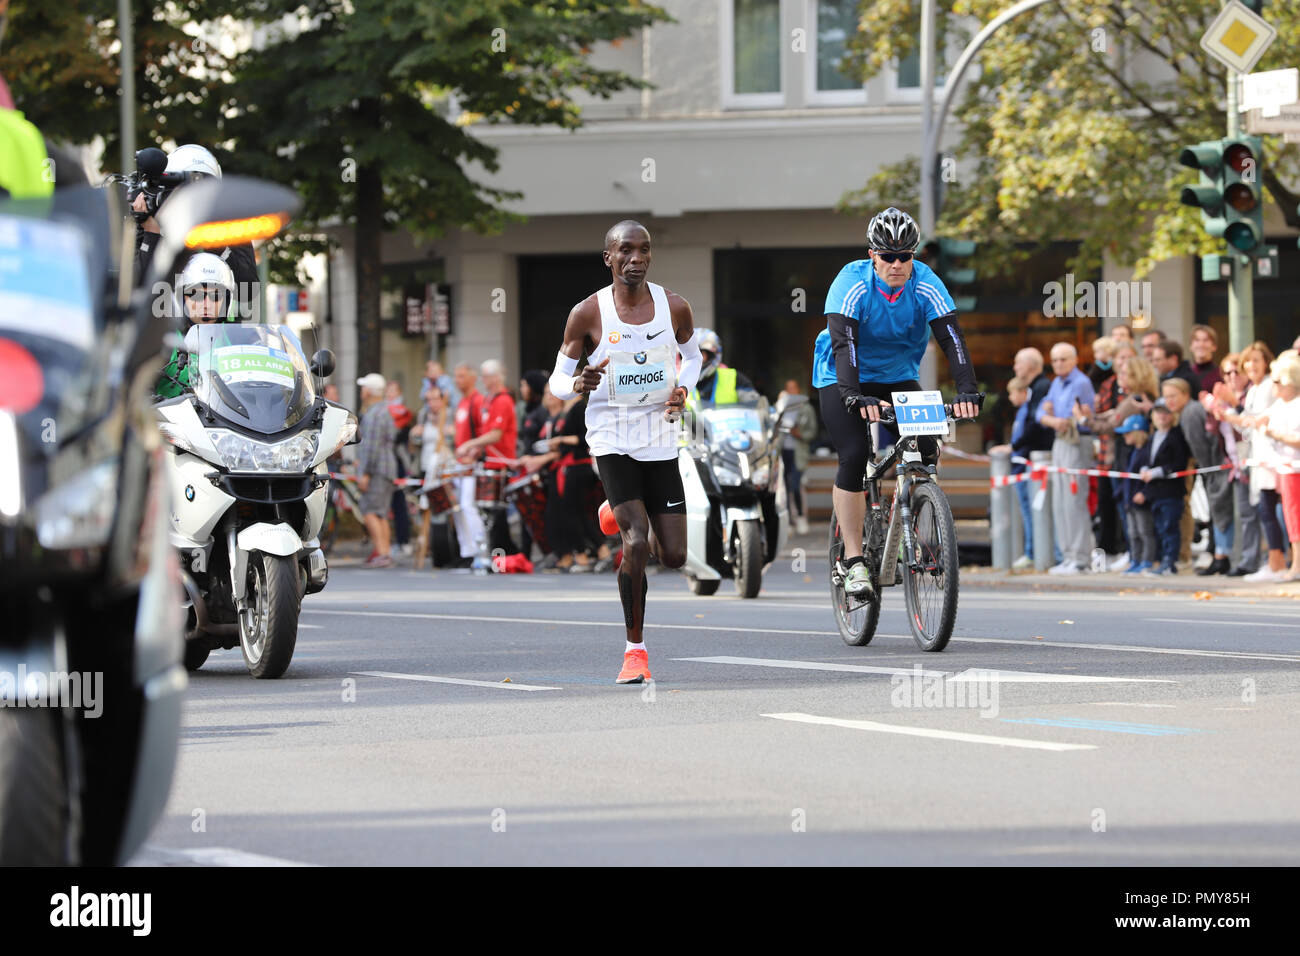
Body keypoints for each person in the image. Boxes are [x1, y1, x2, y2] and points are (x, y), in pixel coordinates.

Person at [548, 219, 701, 683]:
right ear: (609, 258)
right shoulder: (587, 314)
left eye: (643, 250)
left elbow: (692, 358)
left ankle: (613, 510)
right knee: (636, 543)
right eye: (626, 251)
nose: (636, 258)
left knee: (673, 556)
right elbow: (557, 380)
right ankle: (636, 652)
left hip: (660, 436)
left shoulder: (674, 307)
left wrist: (684, 391)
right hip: (611, 437)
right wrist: (577, 383)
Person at [811, 206, 982, 597]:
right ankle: (853, 560)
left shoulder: (925, 283)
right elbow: (844, 343)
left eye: (905, 256)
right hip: (841, 375)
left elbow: (951, 338)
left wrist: (968, 390)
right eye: (887, 256)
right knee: (854, 455)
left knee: (925, 445)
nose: (896, 264)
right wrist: (853, 395)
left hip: (898, 376)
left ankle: (913, 509)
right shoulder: (851, 283)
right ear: (872, 255)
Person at [131, 144, 259, 317]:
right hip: (161, 329)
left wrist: (215, 242)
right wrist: (150, 233)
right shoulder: (151, 218)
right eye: (184, 189)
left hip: (216, 333)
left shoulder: (230, 225)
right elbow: (134, 287)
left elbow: (248, 291)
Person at [1216, 342, 1285, 580]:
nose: (1251, 365)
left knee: (1272, 510)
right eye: (1248, 361)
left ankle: (1278, 563)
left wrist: (1231, 413)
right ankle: (1275, 562)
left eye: (1256, 360)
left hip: (1273, 456)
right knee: (1266, 510)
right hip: (1258, 456)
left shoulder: (1268, 386)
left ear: (1266, 362)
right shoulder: (1255, 390)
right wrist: (1227, 412)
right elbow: (1246, 422)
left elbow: (1257, 420)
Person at [1036, 342, 1096, 574]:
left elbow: (1081, 417)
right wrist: (1052, 419)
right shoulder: (1057, 383)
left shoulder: (1081, 383)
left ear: (1074, 360)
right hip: (1060, 440)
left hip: (1076, 440)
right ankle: (1068, 554)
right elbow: (1042, 412)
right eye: (1056, 360)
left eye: (1064, 359)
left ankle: (1080, 557)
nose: (1059, 364)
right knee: (1060, 500)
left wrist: (1053, 418)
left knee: (1074, 500)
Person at [154, 253, 240, 399]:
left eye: (216, 296)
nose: (206, 305)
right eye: (196, 296)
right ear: (181, 299)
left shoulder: (237, 340)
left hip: (224, 421)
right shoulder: (164, 340)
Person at [1246, 350, 1300, 580]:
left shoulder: (1296, 405)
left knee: (1295, 519)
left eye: (1277, 381)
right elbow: (1253, 420)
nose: (1273, 386)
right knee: (1290, 519)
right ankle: (1295, 564)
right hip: (1286, 470)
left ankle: (1296, 567)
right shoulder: (1280, 405)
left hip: (1295, 469)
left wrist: (1274, 434)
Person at [456, 359, 519, 555]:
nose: (482, 380)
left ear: (495, 377)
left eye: (485, 376)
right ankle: (494, 553)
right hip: (490, 460)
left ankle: (498, 554)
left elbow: (496, 434)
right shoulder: (490, 400)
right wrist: (476, 449)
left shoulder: (502, 400)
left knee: (494, 513)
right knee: (490, 512)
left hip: (499, 462)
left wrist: (470, 444)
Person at [1209, 352, 1260, 576]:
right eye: (1226, 372)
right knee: (1241, 514)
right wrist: (1211, 405)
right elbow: (1212, 430)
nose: (1231, 376)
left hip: (1254, 459)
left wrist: (1232, 404)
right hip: (1233, 463)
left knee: (1256, 512)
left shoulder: (1250, 395)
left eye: (1235, 371)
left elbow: (1249, 427)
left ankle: (1254, 560)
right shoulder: (1226, 397)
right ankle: (1242, 559)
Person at [1131, 398, 1191, 575]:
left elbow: (1179, 462)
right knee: (1160, 528)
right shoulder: (1153, 437)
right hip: (1156, 491)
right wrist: (1144, 469)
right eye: (1158, 412)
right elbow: (1146, 459)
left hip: (1171, 491)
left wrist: (1156, 472)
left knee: (1170, 527)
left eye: (1166, 412)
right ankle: (1164, 561)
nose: (1162, 416)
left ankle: (1170, 562)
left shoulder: (1176, 435)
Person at [355, 373, 397, 568]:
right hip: (387, 468)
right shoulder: (384, 412)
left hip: (376, 470)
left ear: (369, 391)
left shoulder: (373, 414)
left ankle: (382, 553)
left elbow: (371, 448)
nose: (362, 391)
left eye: (364, 388)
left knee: (370, 511)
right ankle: (385, 552)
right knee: (381, 512)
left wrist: (365, 473)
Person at [449, 362, 487, 569]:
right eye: (456, 376)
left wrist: (475, 453)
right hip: (460, 464)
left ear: (472, 378)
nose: (457, 380)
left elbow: (483, 431)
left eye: (461, 376)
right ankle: (467, 551)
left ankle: (479, 550)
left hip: (472, 464)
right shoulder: (462, 403)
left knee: (468, 507)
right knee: (459, 509)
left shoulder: (476, 401)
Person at [1115, 414, 1156, 575]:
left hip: (1139, 501)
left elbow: (1147, 479)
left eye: (1128, 433)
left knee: (1144, 531)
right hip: (1129, 500)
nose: (1125, 436)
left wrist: (1144, 493)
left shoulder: (1145, 453)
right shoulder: (1133, 452)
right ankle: (1135, 559)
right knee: (1132, 533)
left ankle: (1147, 560)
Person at [776, 379, 817, 535]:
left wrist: (799, 434)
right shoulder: (782, 408)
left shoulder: (806, 409)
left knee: (795, 485)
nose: (791, 391)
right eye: (788, 388)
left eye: (793, 388)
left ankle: (800, 517)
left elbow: (812, 432)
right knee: (784, 487)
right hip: (783, 451)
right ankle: (789, 521)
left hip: (798, 452)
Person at [686, 329, 758, 409]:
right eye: (689, 354)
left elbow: (754, 407)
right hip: (692, 422)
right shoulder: (676, 381)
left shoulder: (734, 378)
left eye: (700, 353)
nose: (695, 359)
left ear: (712, 355)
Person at [1188, 324, 1222, 395]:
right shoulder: (1186, 373)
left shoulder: (1220, 374)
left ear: (1214, 346)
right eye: (1197, 340)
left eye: (1205, 340)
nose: (1201, 344)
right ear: (1191, 346)